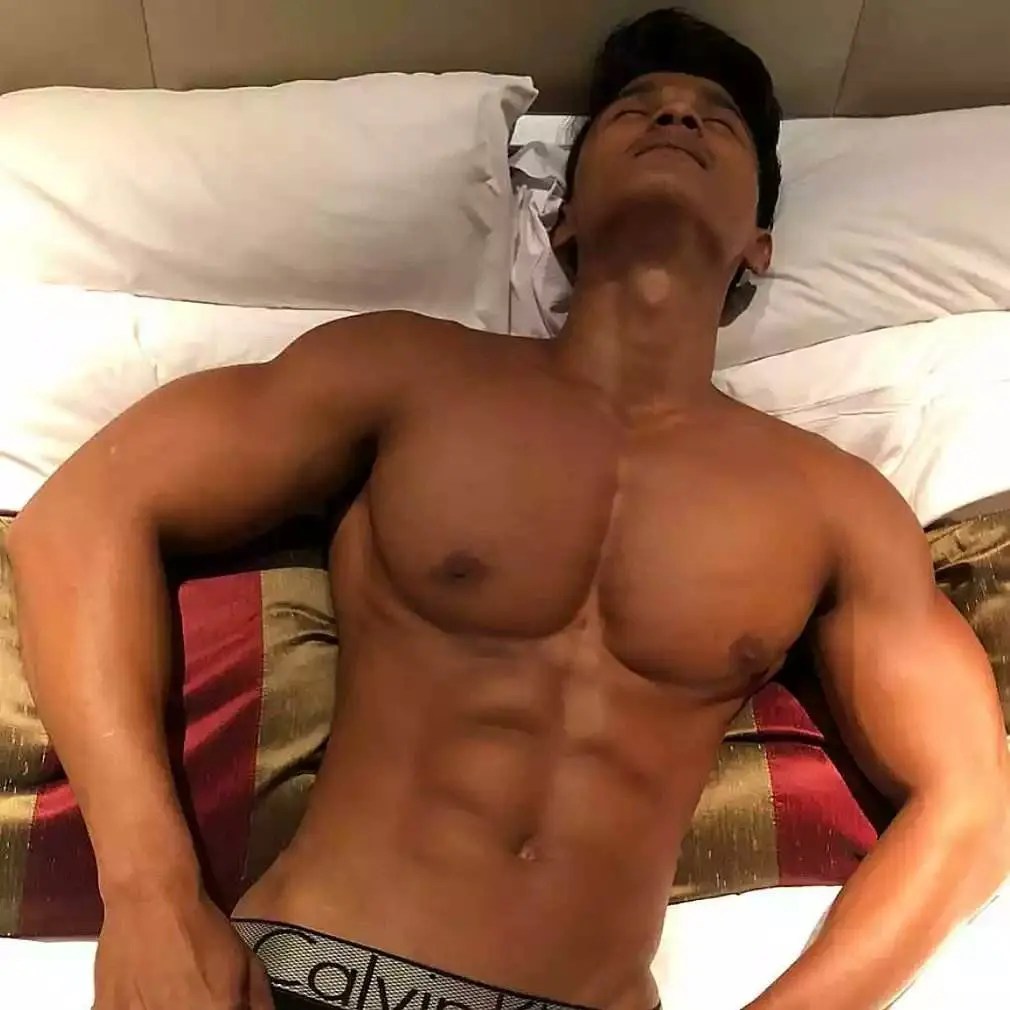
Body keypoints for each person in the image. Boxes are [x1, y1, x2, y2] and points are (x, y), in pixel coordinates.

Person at [8, 8, 1010, 1010]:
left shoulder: (833, 503)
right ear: (562, 218)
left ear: (758, 243)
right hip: (310, 975)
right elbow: (86, 511)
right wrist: (149, 893)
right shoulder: (409, 373)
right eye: (635, 108)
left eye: (717, 117)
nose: (675, 116)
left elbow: (971, 799)